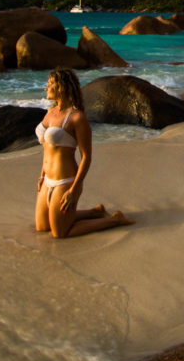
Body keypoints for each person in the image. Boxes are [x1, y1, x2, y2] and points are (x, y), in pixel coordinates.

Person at [34, 68, 134, 237]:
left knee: (60, 233)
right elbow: (46, 148)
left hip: (65, 181)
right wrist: (42, 175)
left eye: (50, 84)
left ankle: (115, 219)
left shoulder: (77, 118)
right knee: (42, 227)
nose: (46, 88)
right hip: (47, 180)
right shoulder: (50, 111)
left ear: (62, 87)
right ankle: (95, 212)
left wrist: (75, 188)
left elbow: (86, 156)